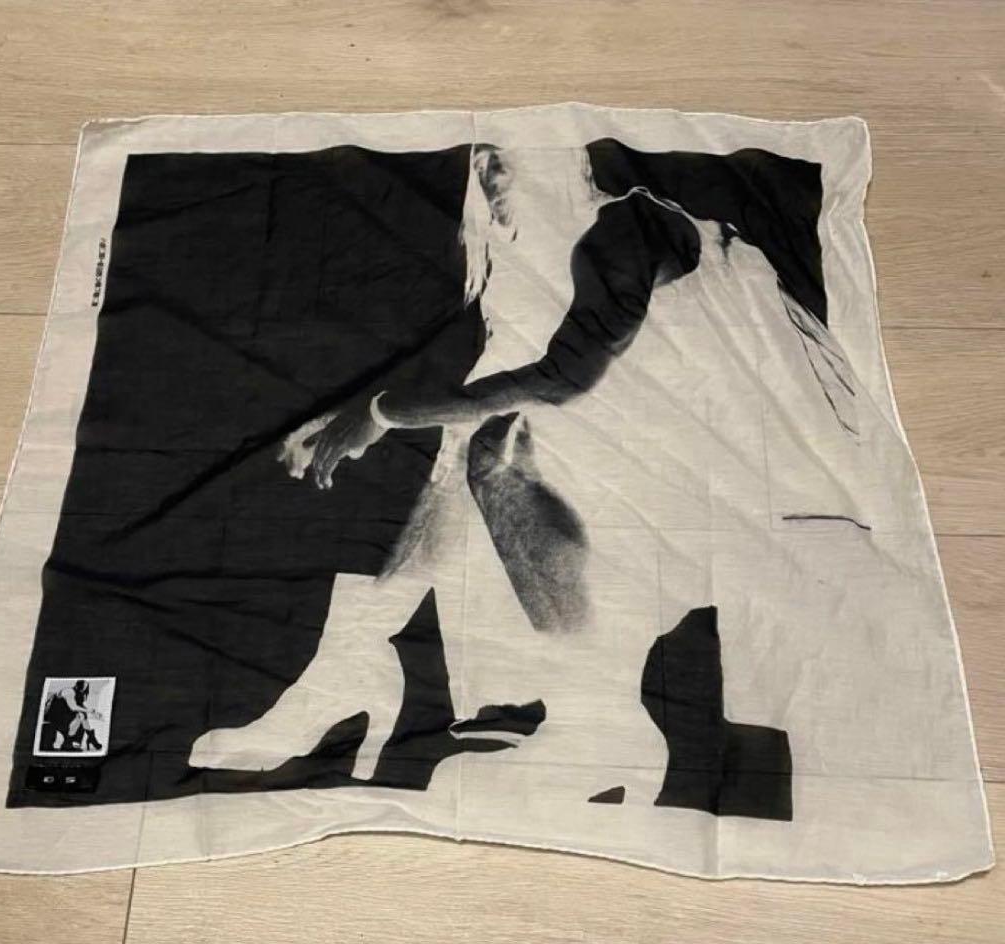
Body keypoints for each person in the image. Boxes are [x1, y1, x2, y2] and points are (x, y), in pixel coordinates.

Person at [189, 140, 854, 784]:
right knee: (477, 449)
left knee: (497, 454)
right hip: (681, 468)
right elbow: (472, 410)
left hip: (769, 477)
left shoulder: (631, 227)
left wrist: (380, 414)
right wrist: (354, 422)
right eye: (484, 158)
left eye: (513, 153)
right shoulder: (527, 272)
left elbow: (564, 379)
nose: (491, 169)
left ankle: (591, 715)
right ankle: (351, 668)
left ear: (572, 162)